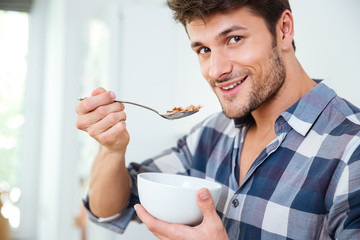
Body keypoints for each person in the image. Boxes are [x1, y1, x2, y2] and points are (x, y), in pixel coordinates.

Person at [75, 0, 360, 239]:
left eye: (234, 39)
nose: (216, 70)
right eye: (204, 50)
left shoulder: (351, 150)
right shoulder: (210, 134)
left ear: (284, 29)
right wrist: (112, 148)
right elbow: (110, 208)